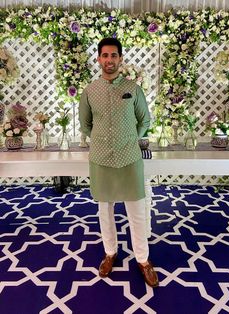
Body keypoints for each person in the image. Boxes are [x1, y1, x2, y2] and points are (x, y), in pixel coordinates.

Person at [79, 37, 158, 287]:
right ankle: (110, 253)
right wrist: (103, 140)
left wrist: (130, 139)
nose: (109, 60)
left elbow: (144, 120)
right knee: (105, 211)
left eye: (114, 55)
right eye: (105, 55)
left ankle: (143, 260)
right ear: (98, 59)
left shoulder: (133, 88)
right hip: (101, 158)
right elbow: (85, 124)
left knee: (136, 211)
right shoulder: (90, 91)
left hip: (130, 157)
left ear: (120, 59)